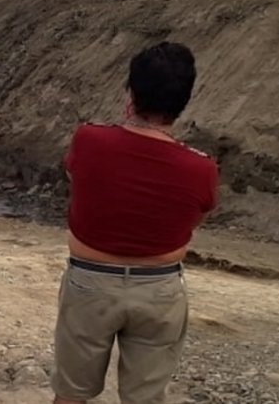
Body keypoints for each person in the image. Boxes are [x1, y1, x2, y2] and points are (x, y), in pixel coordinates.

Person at [51, 41, 218, 404]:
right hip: (159, 288)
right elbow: (195, 220)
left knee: (71, 394)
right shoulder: (202, 167)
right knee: (146, 398)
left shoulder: (89, 139)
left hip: (90, 282)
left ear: (131, 90)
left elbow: (76, 181)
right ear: (184, 101)